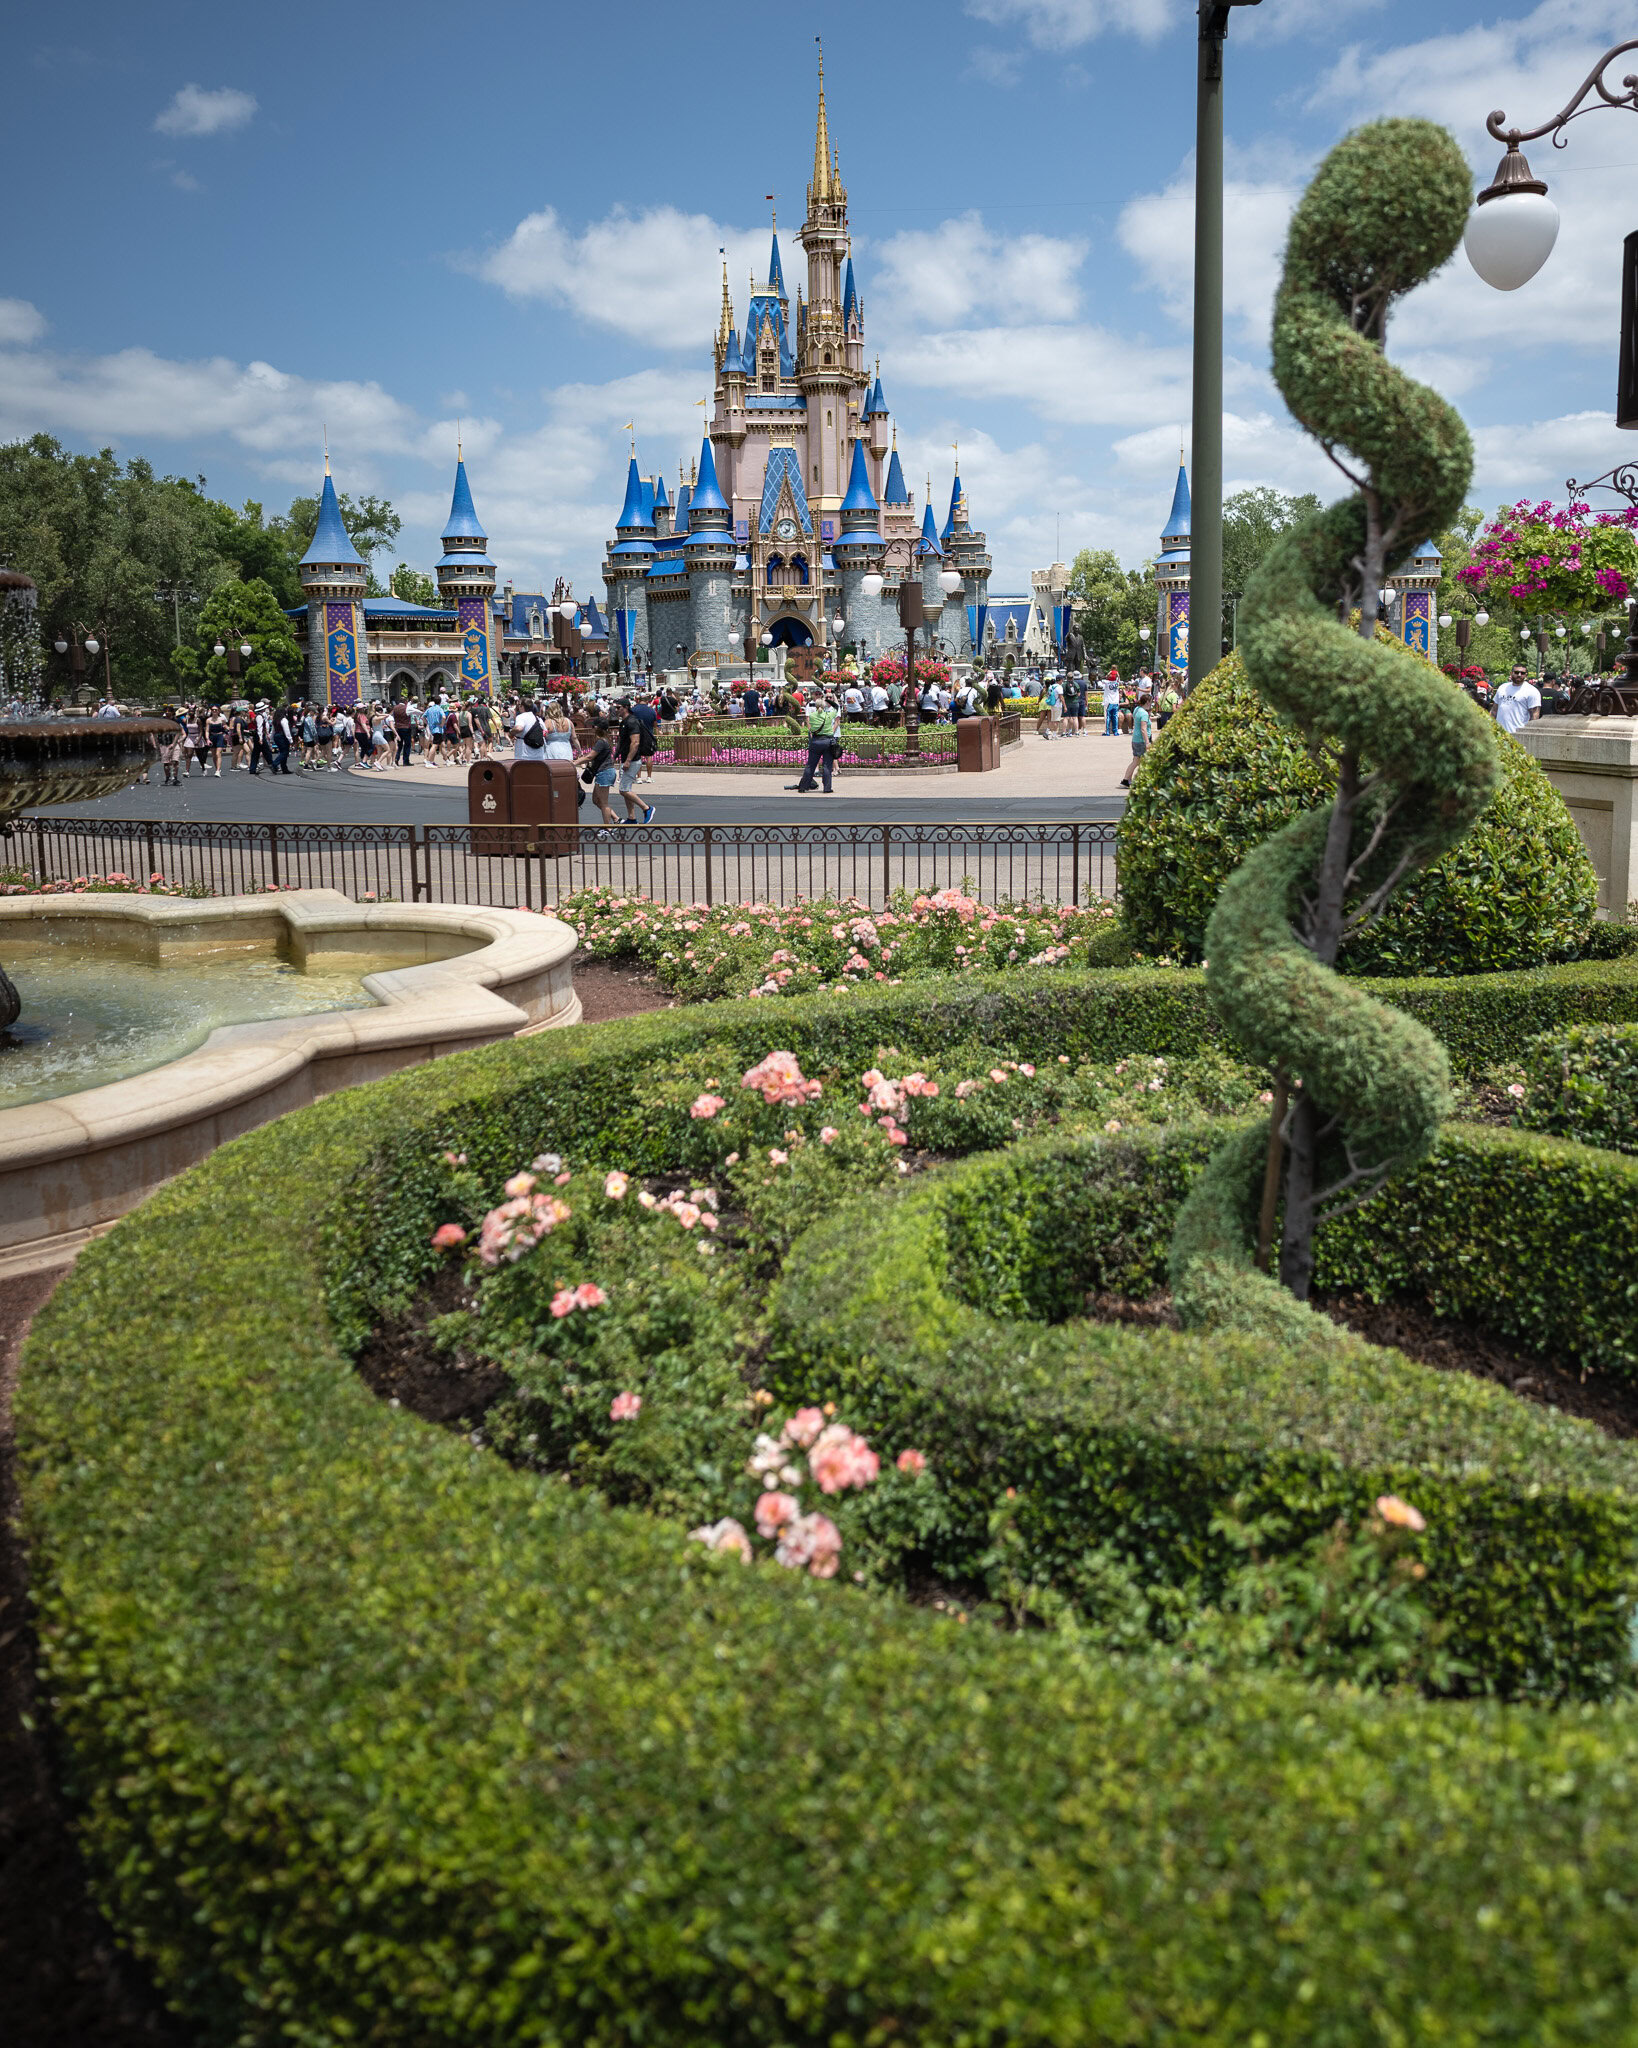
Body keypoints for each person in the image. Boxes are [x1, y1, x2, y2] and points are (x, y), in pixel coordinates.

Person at [614, 698, 659, 822]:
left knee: (623, 790)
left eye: (618, 707)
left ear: (626, 707)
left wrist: (628, 760)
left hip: (632, 760)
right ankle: (631, 817)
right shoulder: (624, 722)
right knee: (626, 788)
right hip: (626, 759)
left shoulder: (631, 721)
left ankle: (646, 808)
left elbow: (635, 742)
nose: (616, 710)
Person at [790, 691, 840, 793]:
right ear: (824, 705)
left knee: (810, 765)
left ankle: (804, 787)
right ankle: (827, 788)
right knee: (827, 766)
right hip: (827, 741)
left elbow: (809, 723)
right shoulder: (828, 715)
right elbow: (836, 707)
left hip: (816, 741)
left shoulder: (812, 716)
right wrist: (827, 700)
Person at [579, 718, 620, 826]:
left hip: (605, 773)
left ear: (597, 728)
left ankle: (608, 828)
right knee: (596, 800)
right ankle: (616, 818)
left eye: (593, 727)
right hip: (603, 772)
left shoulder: (601, 741)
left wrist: (575, 762)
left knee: (603, 802)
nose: (592, 729)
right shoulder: (604, 740)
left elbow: (590, 756)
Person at [1121, 689, 1154, 789]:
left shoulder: (1137, 709)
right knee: (1142, 761)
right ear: (1147, 702)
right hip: (1141, 740)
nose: (1151, 704)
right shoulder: (1143, 713)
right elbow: (1143, 729)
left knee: (1136, 760)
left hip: (1136, 739)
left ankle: (1127, 779)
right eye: (1151, 702)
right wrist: (1147, 742)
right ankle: (1134, 780)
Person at [1495, 663, 1542, 732]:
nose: (1519, 675)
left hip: (1518, 735)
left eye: (1522, 673)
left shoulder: (1532, 691)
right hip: (1500, 734)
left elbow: (1535, 716)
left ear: (1526, 675)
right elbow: (1494, 710)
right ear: (1511, 673)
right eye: (1516, 672)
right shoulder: (1502, 687)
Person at [1102, 670, 1122, 736]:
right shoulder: (1117, 683)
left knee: (1108, 717)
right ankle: (1115, 732)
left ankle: (1107, 732)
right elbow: (1119, 678)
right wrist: (1117, 673)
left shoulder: (1107, 682)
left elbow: (1102, 679)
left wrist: (1109, 673)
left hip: (1108, 702)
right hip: (1115, 702)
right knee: (1115, 717)